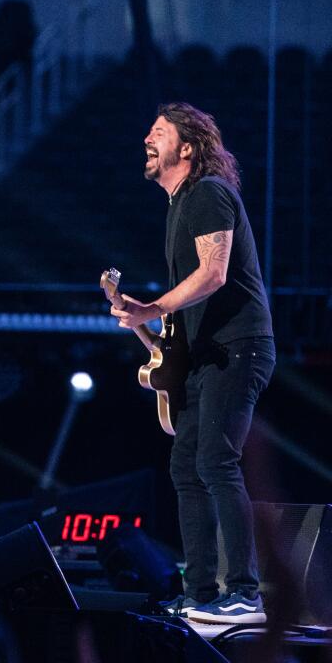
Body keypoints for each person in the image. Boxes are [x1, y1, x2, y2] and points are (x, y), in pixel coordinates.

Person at [110, 102, 274, 625]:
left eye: (158, 132)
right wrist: (150, 326)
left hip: (238, 348)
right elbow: (191, 308)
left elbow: (215, 273)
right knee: (186, 466)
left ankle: (245, 592)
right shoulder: (177, 205)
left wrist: (154, 306)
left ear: (188, 146)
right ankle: (201, 592)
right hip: (205, 354)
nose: (146, 139)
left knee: (216, 462)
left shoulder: (206, 193)